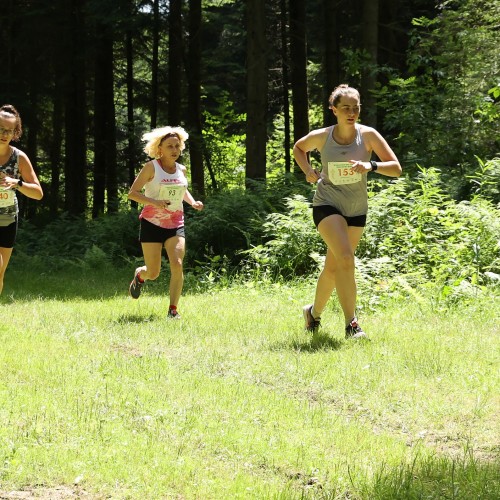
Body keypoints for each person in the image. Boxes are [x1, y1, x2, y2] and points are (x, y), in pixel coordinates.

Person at [293, 84, 402, 338]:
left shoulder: (369, 135)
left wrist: (370, 165)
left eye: (356, 108)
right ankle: (351, 324)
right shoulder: (323, 136)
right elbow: (299, 148)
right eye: (346, 108)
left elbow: (396, 168)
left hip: (356, 208)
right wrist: (308, 170)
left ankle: (313, 313)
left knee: (334, 267)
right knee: (345, 258)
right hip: (327, 203)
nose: (352, 112)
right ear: (334, 110)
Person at [127, 126, 203, 319]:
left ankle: (173, 310)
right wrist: (155, 202)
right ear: (159, 148)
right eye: (170, 146)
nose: (174, 150)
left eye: (177, 146)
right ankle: (140, 275)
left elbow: (181, 190)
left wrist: (192, 202)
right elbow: (132, 194)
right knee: (153, 273)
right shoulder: (151, 167)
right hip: (151, 223)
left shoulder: (181, 169)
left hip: (176, 223)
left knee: (177, 264)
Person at [0, 104, 43, 295]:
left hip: (7, 219)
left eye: (9, 131)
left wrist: (17, 183)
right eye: (1, 129)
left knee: (0, 274)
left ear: (15, 132)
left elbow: (38, 193)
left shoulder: (19, 158)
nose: (4, 134)